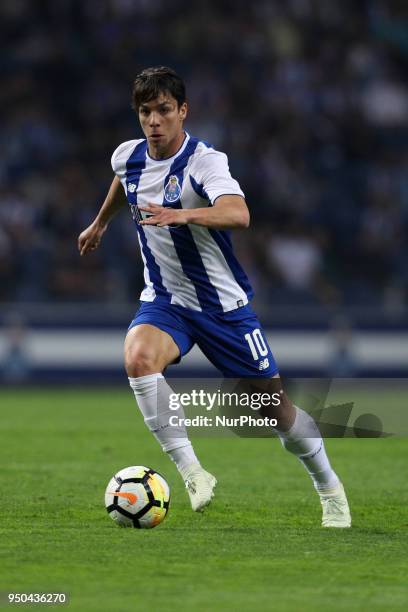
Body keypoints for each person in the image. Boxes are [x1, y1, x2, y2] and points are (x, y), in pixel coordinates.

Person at [78, 66, 351, 527]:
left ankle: (329, 487)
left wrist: (182, 215)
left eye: (164, 110)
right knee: (139, 358)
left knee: (276, 413)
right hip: (166, 300)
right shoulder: (127, 157)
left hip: (224, 308)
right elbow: (122, 182)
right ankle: (193, 473)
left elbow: (238, 213)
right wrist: (100, 222)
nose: (154, 121)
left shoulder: (205, 160)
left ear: (183, 111)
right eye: (145, 112)